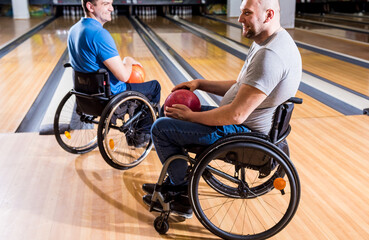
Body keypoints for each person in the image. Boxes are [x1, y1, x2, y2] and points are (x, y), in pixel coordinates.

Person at [142, 0, 302, 218]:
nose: (239, 19)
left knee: (161, 128)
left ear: (268, 15)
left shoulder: (270, 56)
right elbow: (241, 87)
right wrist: (200, 83)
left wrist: (191, 116)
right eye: (240, 12)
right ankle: (174, 181)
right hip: (237, 123)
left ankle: (182, 195)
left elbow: (236, 115)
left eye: (247, 13)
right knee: (170, 110)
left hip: (242, 132)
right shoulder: (268, 42)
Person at [67, 0, 161, 146]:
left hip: (86, 95)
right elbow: (123, 76)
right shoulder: (99, 34)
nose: (111, 8)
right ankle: (141, 137)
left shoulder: (74, 29)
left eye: (111, 3)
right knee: (154, 87)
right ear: (90, 6)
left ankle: (138, 131)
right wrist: (128, 61)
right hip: (109, 95)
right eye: (105, 4)